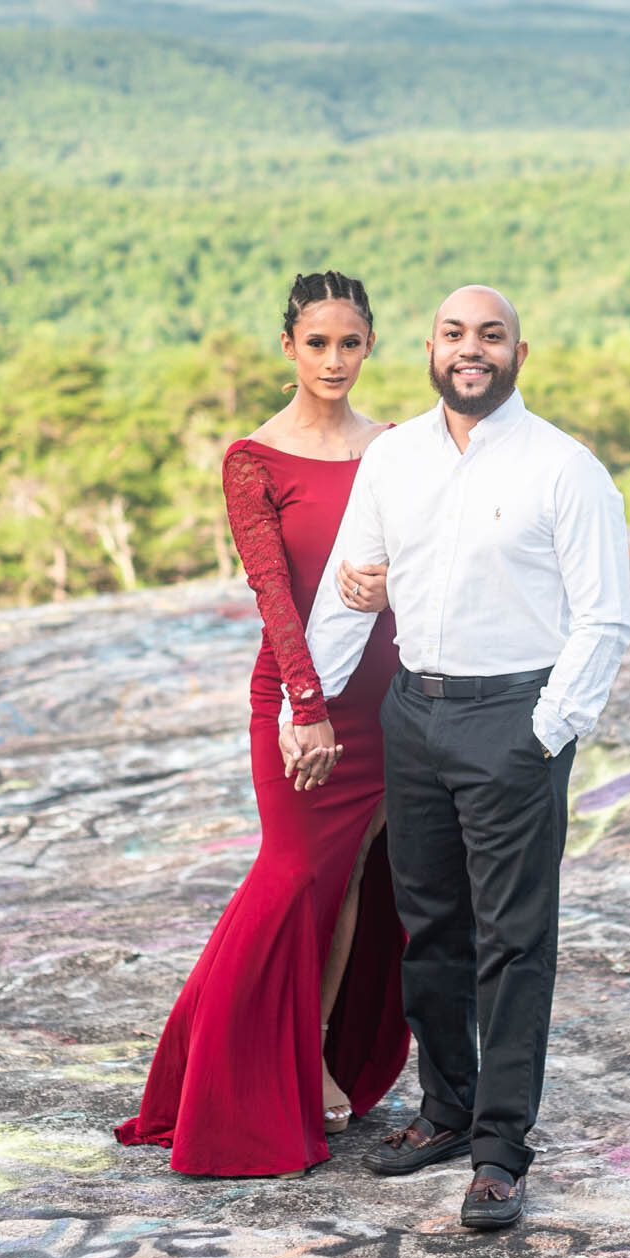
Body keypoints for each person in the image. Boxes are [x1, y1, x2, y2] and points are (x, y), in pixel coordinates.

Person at [291, 284, 630, 1228]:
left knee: (513, 942)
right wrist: (308, 702)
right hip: (415, 711)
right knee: (430, 929)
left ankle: (499, 1149)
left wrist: (543, 732)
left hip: (512, 718)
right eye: (454, 334)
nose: (469, 349)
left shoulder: (565, 469)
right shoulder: (394, 458)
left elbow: (603, 616)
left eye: (490, 335)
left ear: (521, 353)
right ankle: (444, 1110)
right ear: (429, 349)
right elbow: (348, 591)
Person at [114, 270, 409, 1177]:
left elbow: (436, 558)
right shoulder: (255, 459)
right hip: (300, 699)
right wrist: (307, 708)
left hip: (390, 692)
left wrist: (396, 582)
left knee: (355, 880)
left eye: (349, 343)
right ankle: (224, 1089)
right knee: (289, 878)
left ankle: (315, 1058)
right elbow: (272, 591)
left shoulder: (398, 449)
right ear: (288, 348)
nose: (334, 359)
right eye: (317, 343)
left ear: (369, 347)